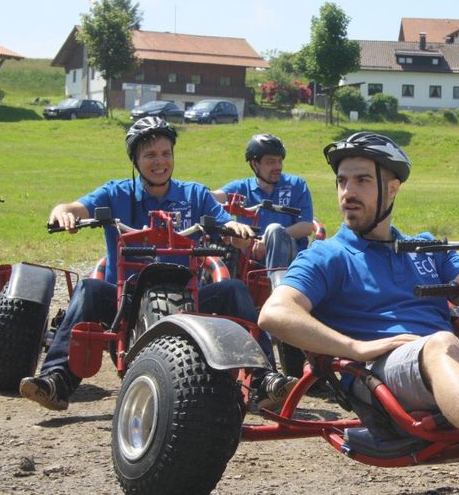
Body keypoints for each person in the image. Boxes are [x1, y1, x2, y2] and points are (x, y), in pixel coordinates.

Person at [259, 131, 459, 468]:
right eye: (342, 181)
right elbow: (275, 314)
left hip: (452, 365)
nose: (348, 192)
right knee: (440, 343)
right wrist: (355, 348)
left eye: (362, 180)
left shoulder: (425, 247)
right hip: (380, 376)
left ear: (392, 188)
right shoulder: (327, 255)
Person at [20, 117, 296, 412]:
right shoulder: (117, 193)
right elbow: (70, 207)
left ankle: (263, 379)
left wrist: (235, 230)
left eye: (166, 154)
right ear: (136, 160)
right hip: (123, 299)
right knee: (88, 289)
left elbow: (224, 220)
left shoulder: (194, 195)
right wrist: (63, 213)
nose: (160, 162)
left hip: (189, 297)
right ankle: (56, 381)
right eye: (150, 155)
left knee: (235, 289)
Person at [212, 134, 314, 286]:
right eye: (271, 162)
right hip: (249, 258)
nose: (278, 167)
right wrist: (196, 195)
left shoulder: (295, 184)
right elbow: (213, 197)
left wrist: (269, 238)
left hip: (291, 260)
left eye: (280, 161)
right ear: (255, 164)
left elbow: (306, 226)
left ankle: (278, 292)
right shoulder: (242, 187)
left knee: (274, 230)